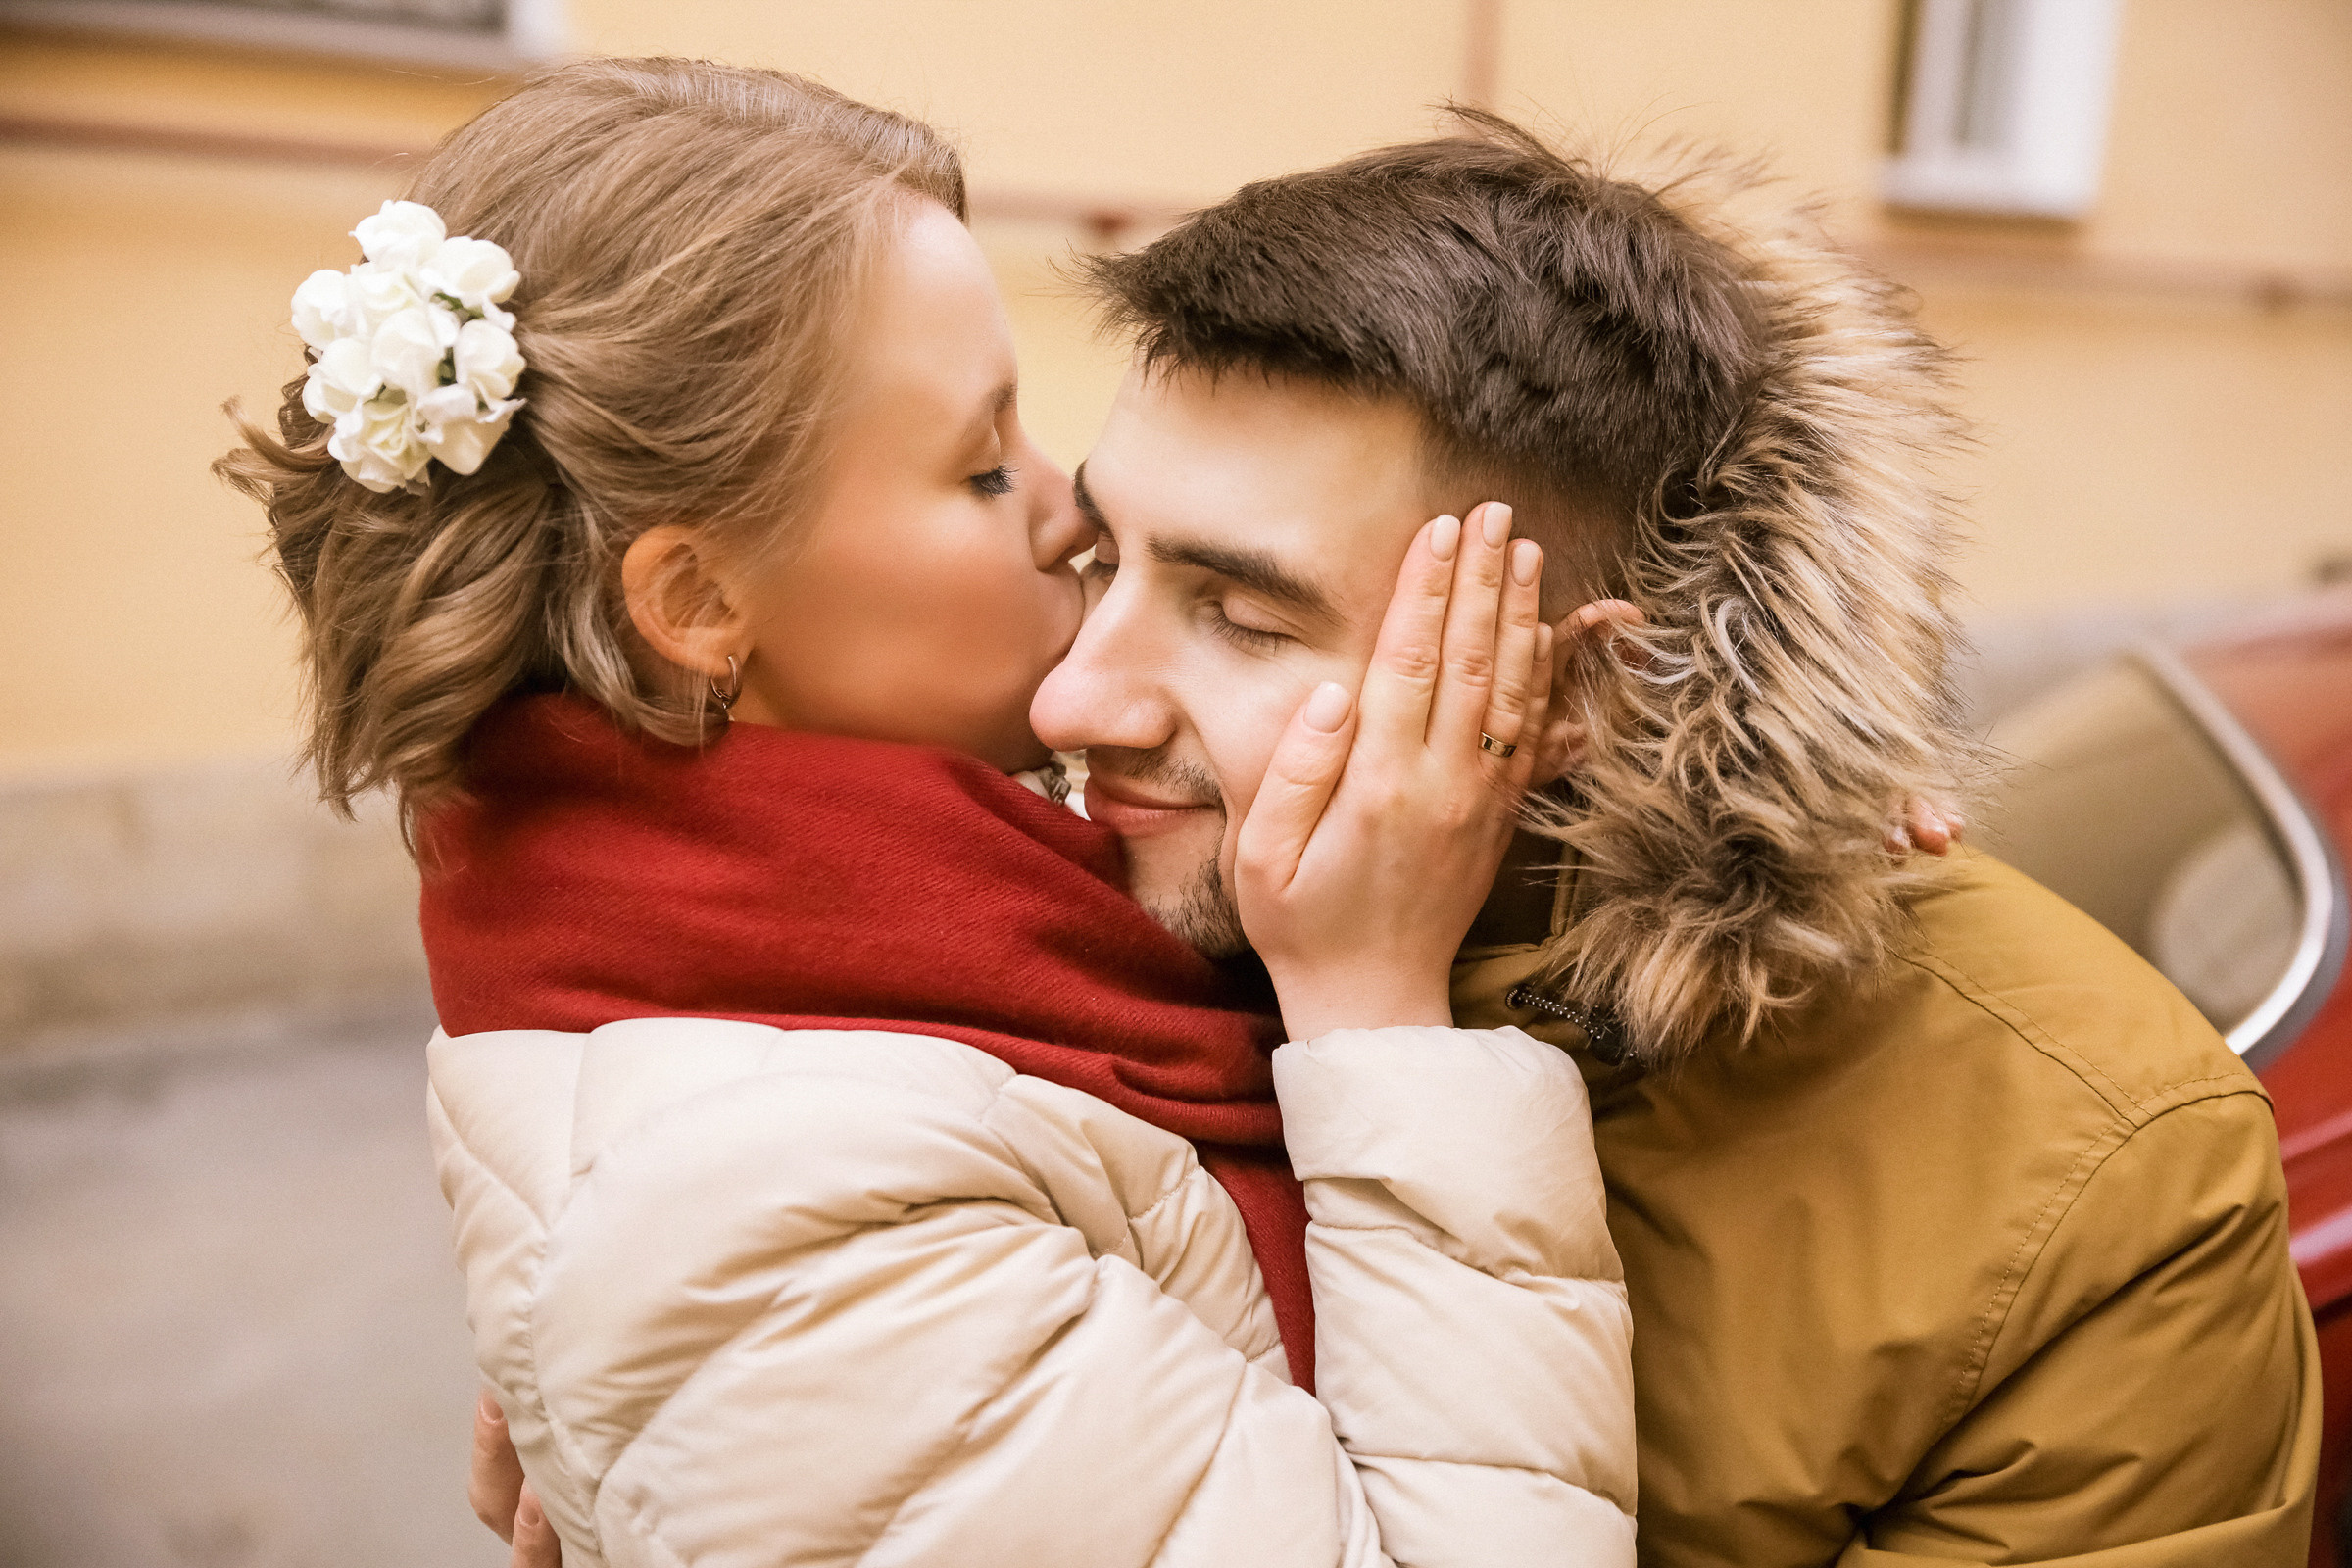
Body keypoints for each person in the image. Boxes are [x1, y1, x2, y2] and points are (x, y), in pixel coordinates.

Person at [220, 60, 1639, 1568]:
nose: (1070, 509)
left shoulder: (901, 954)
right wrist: (1377, 1020)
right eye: (980, 465)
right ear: (699, 603)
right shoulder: (760, 1228)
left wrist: (1692, 814)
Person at [1010, 117, 2318, 1565]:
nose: (1073, 697)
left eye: (1247, 621)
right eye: (1093, 559)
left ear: (1578, 687)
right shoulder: (992, 905)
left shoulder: (2096, 1176)